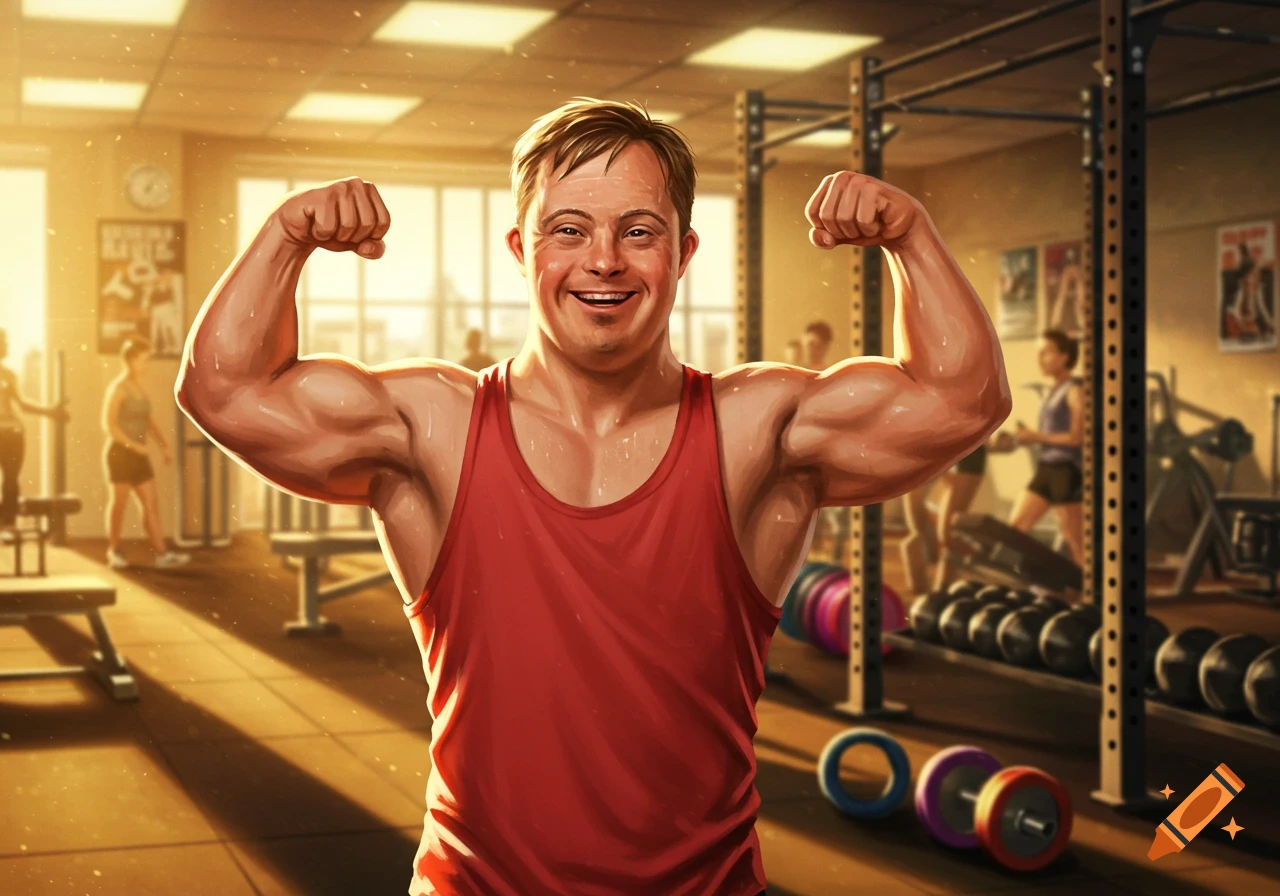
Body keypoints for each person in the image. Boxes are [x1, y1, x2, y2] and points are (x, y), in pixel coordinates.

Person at [176, 99, 1010, 896]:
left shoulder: (754, 430)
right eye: (567, 230)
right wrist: (283, 235)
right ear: (520, 249)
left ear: (682, 254)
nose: (603, 260)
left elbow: (962, 400)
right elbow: (225, 392)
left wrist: (911, 235)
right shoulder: (434, 425)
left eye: (637, 232)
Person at [102, 336, 189, 569]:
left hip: (138, 456)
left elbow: (148, 422)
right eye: (142, 360)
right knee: (119, 505)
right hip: (120, 455)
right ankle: (114, 550)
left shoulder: (139, 389)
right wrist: (134, 445)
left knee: (151, 503)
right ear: (129, 361)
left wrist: (163, 445)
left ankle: (161, 554)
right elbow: (109, 425)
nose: (145, 365)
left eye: (146, 360)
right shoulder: (118, 389)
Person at [1000, 329, 1084, 568]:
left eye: (1046, 353)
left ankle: (1095, 598)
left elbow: (1077, 437)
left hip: (1067, 473)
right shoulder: (1053, 391)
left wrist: (1035, 436)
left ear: (1064, 357)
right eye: (1039, 353)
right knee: (1015, 530)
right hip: (1046, 470)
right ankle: (1037, 581)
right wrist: (1023, 438)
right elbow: (1049, 435)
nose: (1040, 359)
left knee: (1076, 542)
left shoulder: (1075, 390)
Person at [900, 441, 990, 595]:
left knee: (946, 536)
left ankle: (942, 591)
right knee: (917, 534)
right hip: (937, 448)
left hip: (965, 455)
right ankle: (922, 591)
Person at [0, 328, 67, 527]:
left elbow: (22, 404)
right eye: (2, 341)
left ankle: (7, 524)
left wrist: (49, 411)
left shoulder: (9, 375)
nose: (6, 345)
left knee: (11, 479)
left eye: (6, 341)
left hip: (12, 433)